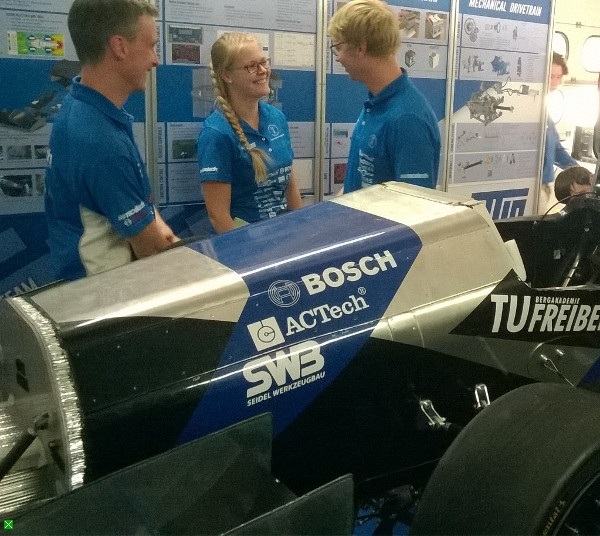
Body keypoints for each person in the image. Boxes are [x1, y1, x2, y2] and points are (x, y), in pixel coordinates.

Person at [44, 0, 178, 281]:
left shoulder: (83, 107)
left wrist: (157, 229)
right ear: (119, 46)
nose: (156, 60)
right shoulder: (98, 140)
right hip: (104, 292)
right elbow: (151, 248)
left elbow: (143, 211)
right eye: (151, 46)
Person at [328, 0, 441, 194]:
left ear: (361, 48)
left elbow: (413, 205)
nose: (338, 57)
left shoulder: (408, 119)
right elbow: (360, 181)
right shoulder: (376, 103)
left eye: (339, 47)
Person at [197, 33, 302, 234]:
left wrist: (301, 231)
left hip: (284, 235)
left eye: (264, 62)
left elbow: (290, 184)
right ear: (227, 75)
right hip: (244, 243)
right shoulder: (216, 134)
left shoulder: (276, 118)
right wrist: (249, 251)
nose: (263, 71)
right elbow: (218, 216)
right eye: (251, 66)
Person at [541, 52, 578, 209]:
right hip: (529, 185)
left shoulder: (544, 111)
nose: (554, 83)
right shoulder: (530, 109)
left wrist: (579, 171)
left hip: (544, 185)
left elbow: (556, 149)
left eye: (559, 77)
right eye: (551, 76)